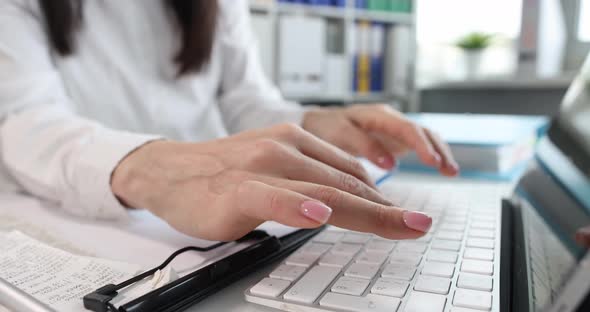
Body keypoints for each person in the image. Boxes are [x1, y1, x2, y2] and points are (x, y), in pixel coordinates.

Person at [0, 0, 458, 242]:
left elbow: (246, 100)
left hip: (218, 218)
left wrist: (319, 122)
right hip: (71, 220)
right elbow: (23, 119)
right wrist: (147, 167)